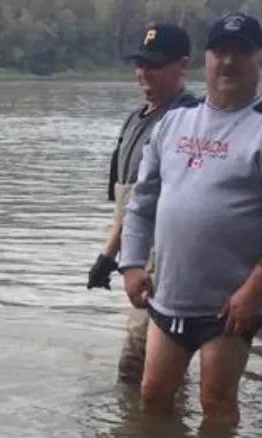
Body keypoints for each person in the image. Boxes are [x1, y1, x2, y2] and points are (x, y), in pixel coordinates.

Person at [119, 13, 262, 425]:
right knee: (153, 397)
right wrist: (132, 263)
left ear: (260, 61)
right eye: (220, 52)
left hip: (230, 305)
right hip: (169, 295)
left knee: (216, 401)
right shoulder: (174, 120)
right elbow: (143, 201)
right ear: (206, 59)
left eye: (241, 53)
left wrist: (254, 288)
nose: (228, 62)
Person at [87, 23, 197, 385]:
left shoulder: (189, 121)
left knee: (139, 361)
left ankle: (149, 435)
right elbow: (126, 202)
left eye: (155, 64)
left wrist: (114, 256)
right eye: (140, 63)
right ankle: (158, 432)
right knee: (147, 359)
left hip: (166, 257)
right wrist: (110, 255)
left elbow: (155, 203)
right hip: (136, 254)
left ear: (182, 66)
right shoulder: (136, 119)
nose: (143, 72)